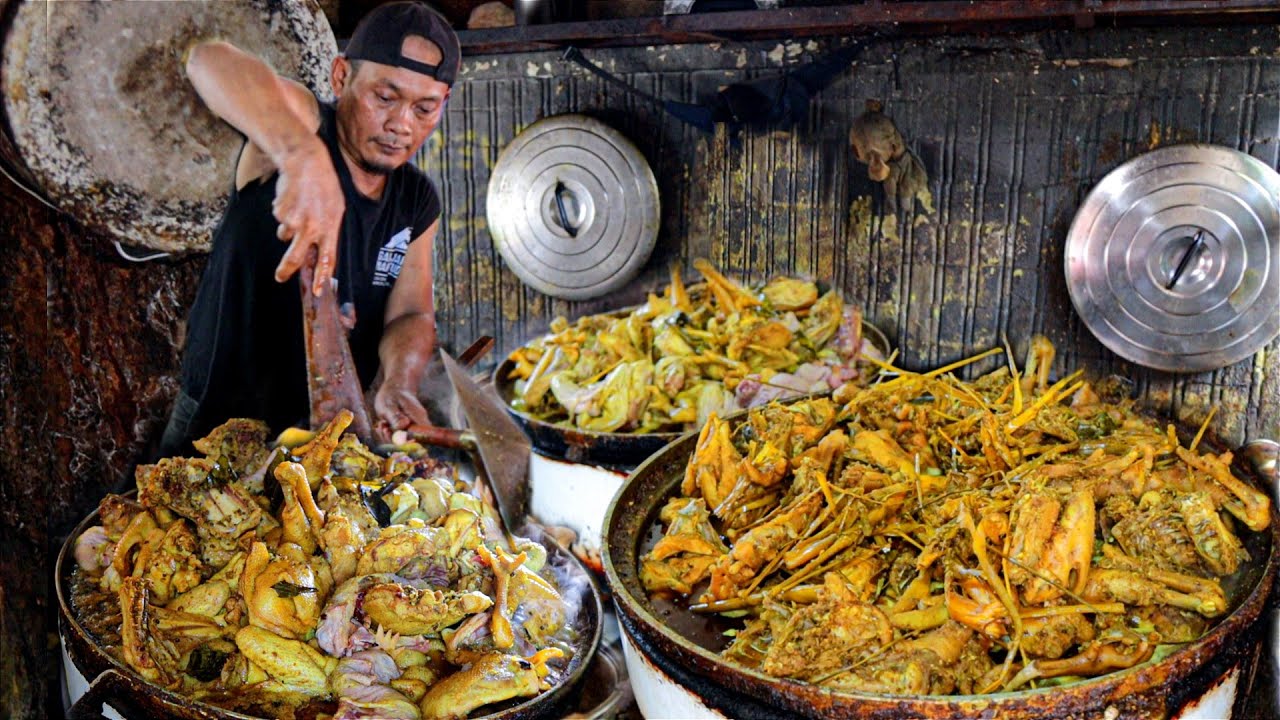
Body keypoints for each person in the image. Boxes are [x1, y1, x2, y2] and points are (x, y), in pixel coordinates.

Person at [158, 1, 459, 456]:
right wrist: (302, 156)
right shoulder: (302, 123)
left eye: (424, 108)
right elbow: (208, 61)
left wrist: (399, 382)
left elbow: (411, 313)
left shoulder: (416, 200)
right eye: (385, 97)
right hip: (219, 422)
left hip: (325, 437)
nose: (401, 124)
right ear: (341, 77)